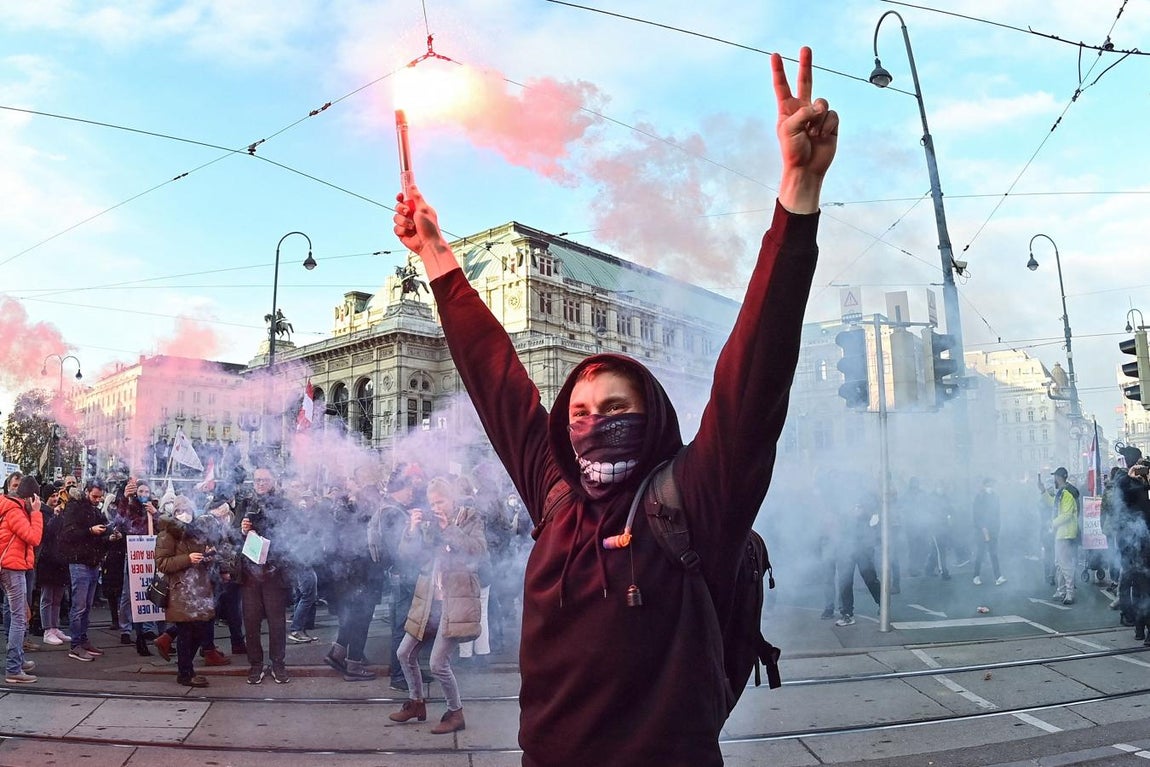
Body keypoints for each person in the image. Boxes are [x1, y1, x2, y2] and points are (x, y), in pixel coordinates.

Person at [391, 47, 836, 766]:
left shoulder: (693, 499)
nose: (593, 420)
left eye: (615, 405)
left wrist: (795, 197)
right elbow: (495, 375)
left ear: (653, 416)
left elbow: (754, 377)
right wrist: (436, 253)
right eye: (580, 409)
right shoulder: (556, 495)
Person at [389, 475, 485, 734]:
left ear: (452, 498)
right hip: (430, 599)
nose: (436, 507)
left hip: (457, 601)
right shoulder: (430, 523)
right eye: (432, 503)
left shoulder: (469, 518)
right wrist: (411, 530)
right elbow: (408, 557)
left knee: (437, 663)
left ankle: (456, 713)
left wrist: (448, 530)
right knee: (403, 653)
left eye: (440, 501)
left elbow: (478, 551)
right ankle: (416, 703)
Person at [237, 467, 292, 684]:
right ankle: (256, 664)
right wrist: (241, 530)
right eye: (257, 479)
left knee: (277, 622)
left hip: (273, 573)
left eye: (265, 479)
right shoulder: (245, 502)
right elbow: (231, 535)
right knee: (250, 622)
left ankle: (278, 663)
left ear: (273, 481)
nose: (260, 483)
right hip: (250, 574)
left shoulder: (283, 505)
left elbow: (290, 535)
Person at [155, 500, 217, 687]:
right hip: (180, 590)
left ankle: (185, 667)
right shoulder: (167, 535)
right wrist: (187, 559)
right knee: (186, 633)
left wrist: (208, 557)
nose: (184, 513)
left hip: (199, 589)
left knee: (200, 630)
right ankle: (185, 673)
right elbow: (162, 563)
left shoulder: (197, 532)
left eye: (187, 510)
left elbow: (205, 558)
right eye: (179, 510)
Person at [58, 480, 114, 661]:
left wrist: (110, 535)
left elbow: (101, 532)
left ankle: (82, 639)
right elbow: (68, 534)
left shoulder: (95, 510)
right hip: (79, 562)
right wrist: (90, 530)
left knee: (86, 606)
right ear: (87, 492)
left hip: (92, 562)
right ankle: (75, 645)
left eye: (99, 497)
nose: (97, 500)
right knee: (79, 606)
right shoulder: (75, 508)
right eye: (94, 496)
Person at [0, 476, 45, 683]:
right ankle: (13, 668)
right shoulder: (14, 511)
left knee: (17, 615)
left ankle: (16, 659)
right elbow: (33, 538)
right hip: (12, 567)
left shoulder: (10, 507)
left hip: (12, 565)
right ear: (29, 497)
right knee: (19, 618)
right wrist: (36, 514)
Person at [35, 485, 72, 646]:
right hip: (47, 560)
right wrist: (55, 518)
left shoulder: (60, 513)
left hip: (60, 559)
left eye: (57, 495)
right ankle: (47, 629)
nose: (56, 498)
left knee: (58, 597)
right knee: (47, 596)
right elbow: (45, 533)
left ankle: (55, 626)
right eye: (53, 495)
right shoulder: (41, 513)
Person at [1040, 467, 1080, 605]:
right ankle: (1062, 590)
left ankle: (1069, 593)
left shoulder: (1067, 494)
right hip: (1062, 533)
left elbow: (1067, 515)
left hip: (1066, 533)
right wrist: (1043, 491)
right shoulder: (1061, 493)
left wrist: (1052, 524)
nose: (1054, 480)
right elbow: (1053, 504)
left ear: (1059, 477)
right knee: (1059, 564)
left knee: (1065, 564)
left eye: (1055, 477)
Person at [971, 478, 1006, 586]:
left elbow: (997, 514)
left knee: (993, 553)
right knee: (980, 553)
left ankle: (998, 576)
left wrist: (997, 527)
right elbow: (977, 515)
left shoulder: (995, 497)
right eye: (988, 485)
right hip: (981, 530)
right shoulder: (979, 497)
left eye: (992, 484)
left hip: (993, 529)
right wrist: (983, 528)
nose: (990, 487)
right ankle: (976, 576)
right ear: (984, 485)